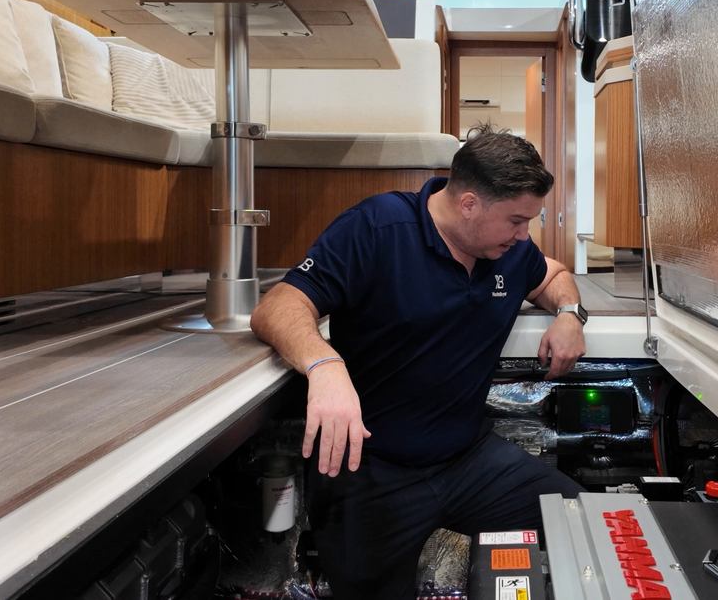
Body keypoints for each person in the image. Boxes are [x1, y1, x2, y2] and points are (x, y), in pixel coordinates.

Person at [250, 126, 588, 599]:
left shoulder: (508, 252)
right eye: (516, 221)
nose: (523, 235)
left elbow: (553, 273)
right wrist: (324, 366)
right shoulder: (377, 228)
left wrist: (570, 314)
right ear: (469, 204)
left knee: (587, 523)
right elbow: (277, 307)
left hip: (468, 460)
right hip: (371, 467)